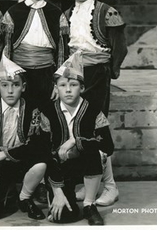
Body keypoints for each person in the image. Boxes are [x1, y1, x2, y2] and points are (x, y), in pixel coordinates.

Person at [64, 0, 127, 206]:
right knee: (78, 128)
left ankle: (110, 186)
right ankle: (88, 182)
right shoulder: (68, 13)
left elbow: (119, 46)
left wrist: (109, 70)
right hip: (75, 73)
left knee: (96, 128)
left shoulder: (105, 11)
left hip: (97, 74)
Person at [40, 52, 114, 226]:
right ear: (56, 88)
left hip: (86, 165)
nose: (67, 89)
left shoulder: (93, 110)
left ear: (82, 88)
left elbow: (108, 146)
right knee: (64, 216)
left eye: (73, 85)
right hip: (57, 169)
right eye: (62, 85)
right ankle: (62, 194)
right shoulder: (48, 112)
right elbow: (42, 151)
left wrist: (75, 140)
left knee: (92, 150)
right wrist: (57, 192)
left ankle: (89, 204)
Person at [0, 54, 47, 221]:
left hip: (22, 160)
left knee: (41, 163)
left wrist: (6, 154)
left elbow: (36, 145)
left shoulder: (31, 108)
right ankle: (6, 191)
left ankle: (24, 197)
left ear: (23, 87)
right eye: (5, 85)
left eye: (15, 85)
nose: (10, 91)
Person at [1, 0, 68, 111]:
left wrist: (58, 82)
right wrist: (10, 82)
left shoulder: (56, 14)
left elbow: (61, 52)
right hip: (20, 75)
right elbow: (7, 50)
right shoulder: (12, 13)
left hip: (47, 75)